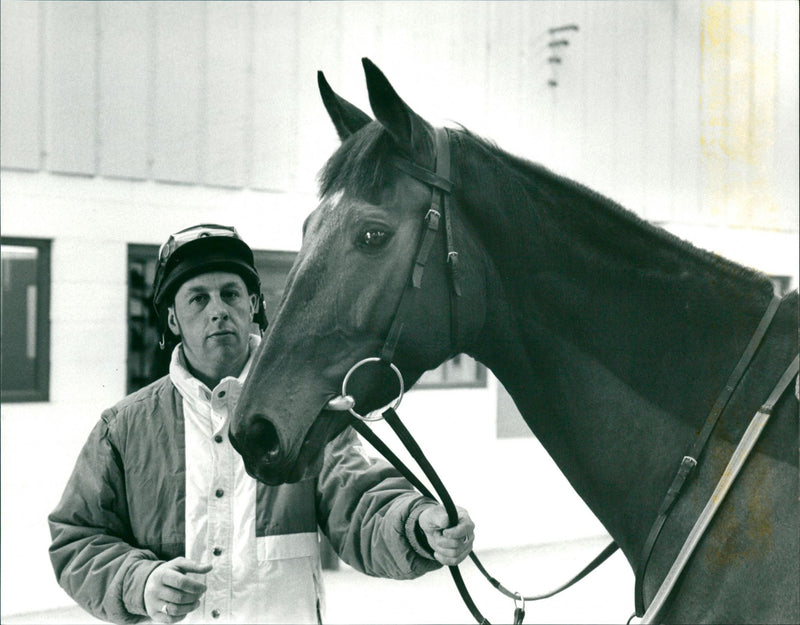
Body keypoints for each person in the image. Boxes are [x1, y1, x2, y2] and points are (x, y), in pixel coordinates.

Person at [48, 224, 475, 625]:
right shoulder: (122, 429)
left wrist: (417, 525)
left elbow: (361, 503)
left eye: (231, 294)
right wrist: (141, 583)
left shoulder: (306, 411)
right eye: (197, 298)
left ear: (253, 306)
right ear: (173, 321)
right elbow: (77, 540)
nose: (218, 311)